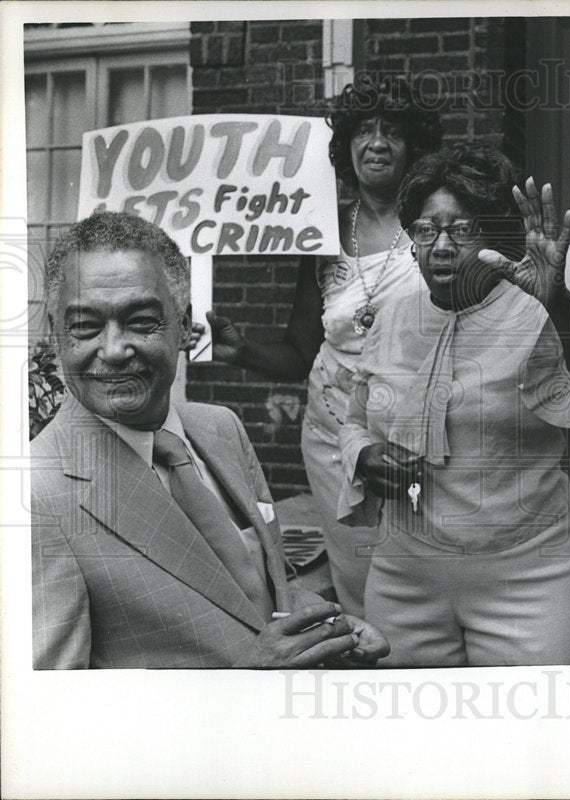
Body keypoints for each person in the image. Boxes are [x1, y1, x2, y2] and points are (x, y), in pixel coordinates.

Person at [32, 211, 388, 669]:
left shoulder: (221, 428)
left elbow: (257, 588)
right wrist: (236, 686)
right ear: (54, 333)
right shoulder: (36, 495)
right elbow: (51, 717)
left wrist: (327, 627)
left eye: (141, 321)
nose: (115, 349)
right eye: (85, 326)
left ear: (184, 326)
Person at [337, 143, 570, 667]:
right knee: (407, 735)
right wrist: (364, 457)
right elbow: (356, 418)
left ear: (493, 237)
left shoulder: (537, 311)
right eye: (427, 230)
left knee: (525, 734)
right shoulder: (393, 315)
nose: (442, 246)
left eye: (462, 230)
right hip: (404, 580)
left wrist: (558, 304)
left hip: (526, 579)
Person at [205, 76, 442, 617]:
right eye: (363, 131)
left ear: (414, 146)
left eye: (392, 132)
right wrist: (242, 352)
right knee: (359, 583)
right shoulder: (321, 232)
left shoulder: (438, 225)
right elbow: (299, 351)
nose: (376, 143)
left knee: (421, 579)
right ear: (346, 146)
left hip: (416, 434)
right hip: (333, 436)